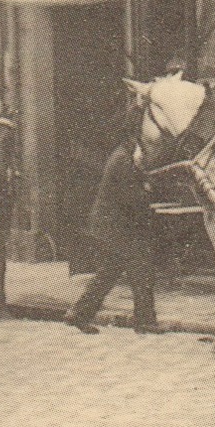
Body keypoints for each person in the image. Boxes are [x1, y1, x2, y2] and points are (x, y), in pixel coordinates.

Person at [65, 140, 161, 334]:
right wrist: (148, 191)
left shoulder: (123, 156)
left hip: (115, 226)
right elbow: (131, 197)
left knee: (110, 271)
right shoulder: (123, 160)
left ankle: (78, 313)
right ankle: (145, 321)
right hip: (116, 226)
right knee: (141, 267)